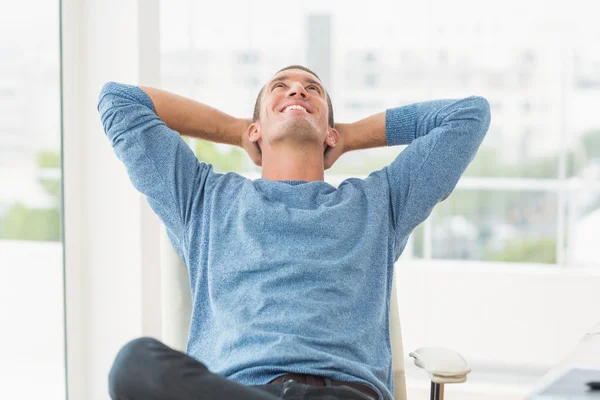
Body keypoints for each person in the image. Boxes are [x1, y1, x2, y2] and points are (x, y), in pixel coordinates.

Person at [98, 64, 491, 400]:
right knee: (135, 363)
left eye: (312, 90)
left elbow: (468, 116)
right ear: (255, 131)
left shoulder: (380, 202)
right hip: (244, 391)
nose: (298, 89)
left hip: (345, 393)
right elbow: (120, 100)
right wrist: (236, 129)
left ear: (330, 135)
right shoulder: (203, 199)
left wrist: (351, 135)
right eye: (280, 87)